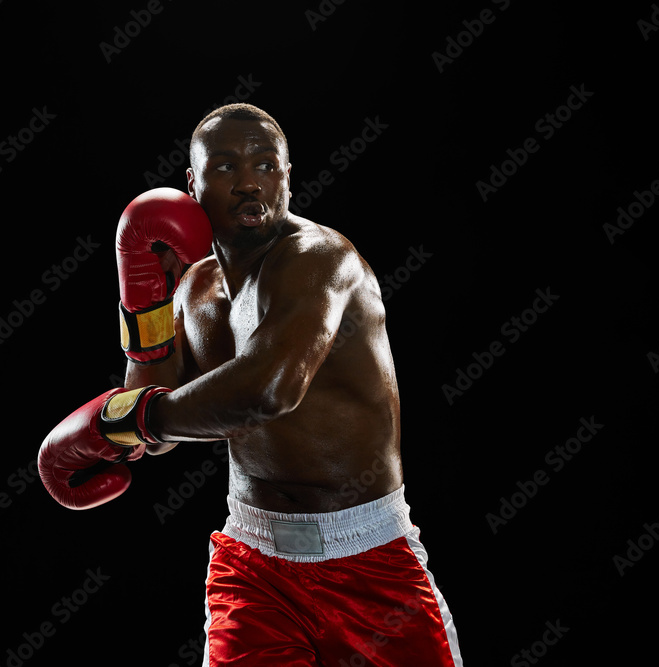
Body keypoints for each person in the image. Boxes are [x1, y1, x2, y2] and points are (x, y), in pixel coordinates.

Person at [38, 103, 464, 666]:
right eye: (225, 167)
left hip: (370, 561)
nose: (247, 184)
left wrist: (132, 418)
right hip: (254, 565)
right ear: (192, 184)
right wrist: (146, 304)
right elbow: (161, 428)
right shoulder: (195, 291)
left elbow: (267, 391)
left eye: (266, 165)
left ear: (288, 176)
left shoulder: (318, 261)